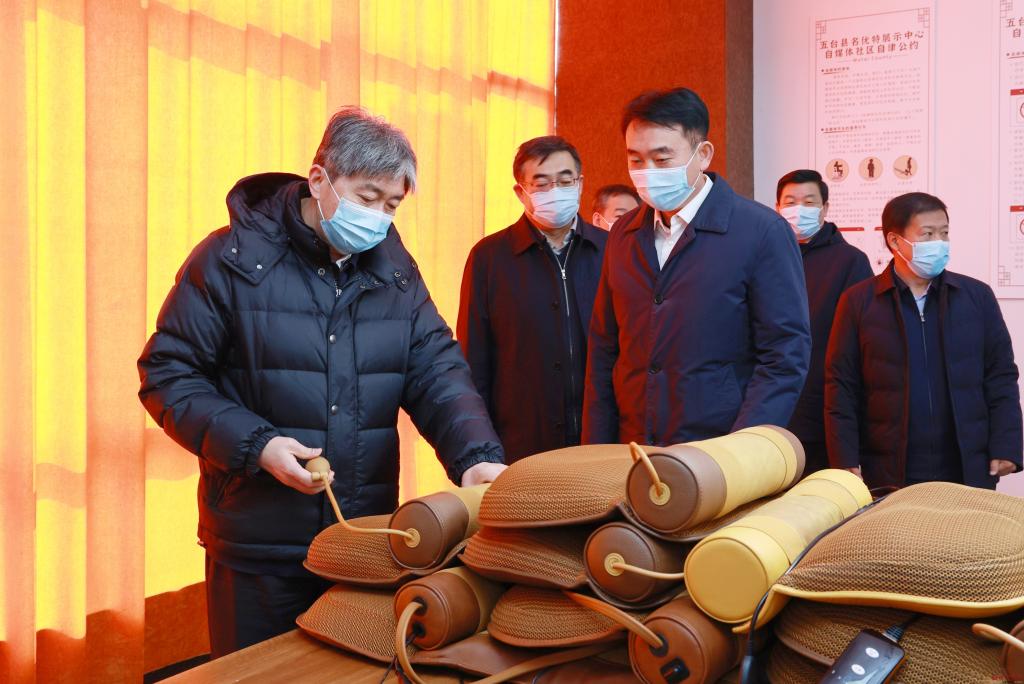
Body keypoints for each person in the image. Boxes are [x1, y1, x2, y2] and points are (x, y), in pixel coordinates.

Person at [138, 107, 506, 657]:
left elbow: (436, 370)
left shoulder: (394, 272)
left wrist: (475, 455)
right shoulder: (231, 259)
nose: (377, 217)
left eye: (392, 205)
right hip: (258, 542)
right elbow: (168, 374)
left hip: (362, 540)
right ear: (319, 179)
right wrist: (258, 446)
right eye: (366, 197)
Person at [583, 88, 811, 446]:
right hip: (633, 446)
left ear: (702, 154)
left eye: (662, 159)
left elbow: (784, 355)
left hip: (717, 448)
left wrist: (740, 453)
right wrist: (596, 448)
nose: (647, 173)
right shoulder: (623, 235)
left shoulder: (760, 231)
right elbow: (604, 348)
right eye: (636, 160)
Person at [826, 192, 1022, 490]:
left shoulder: (976, 297)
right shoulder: (858, 302)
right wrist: (844, 458)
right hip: (890, 466)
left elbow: (1001, 375)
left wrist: (1007, 443)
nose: (939, 242)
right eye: (928, 234)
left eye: (944, 233)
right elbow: (841, 385)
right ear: (895, 241)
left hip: (966, 463)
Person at [458, 136, 607, 462]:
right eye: (541, 184)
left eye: (565, 181)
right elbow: (474, 361)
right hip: (521, 447)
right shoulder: (489, 258)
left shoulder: (611, 251)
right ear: (520, 192)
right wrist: (480, 449)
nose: (555, 191)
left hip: (602, 444)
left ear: (580, 184)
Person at [776, 169, 872, 473]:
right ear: (778, 208)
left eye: (809, 202)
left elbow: (860, 340)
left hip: (823, 407)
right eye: (790, 202)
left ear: (825, 208)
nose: (799, 209)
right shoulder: (765, 254)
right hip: (771, 405)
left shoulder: (850, 261)